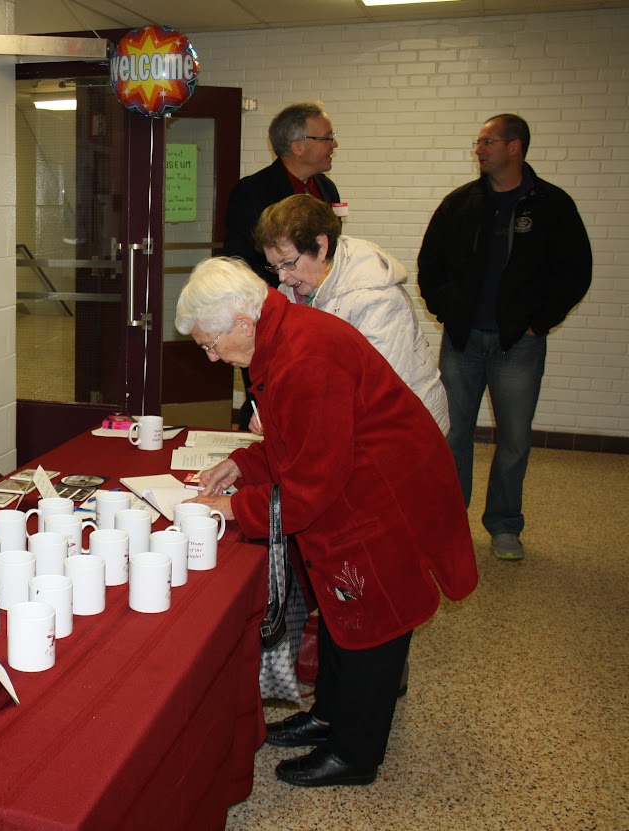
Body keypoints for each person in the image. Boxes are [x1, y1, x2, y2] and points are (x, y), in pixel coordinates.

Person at [176, 258, 476, 788]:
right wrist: (242, 465)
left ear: (242, 322)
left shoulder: (304, 355)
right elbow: (299, 439)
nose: (211, 355)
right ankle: (330, 715)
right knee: (343, 617)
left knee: (373, 620)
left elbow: (312, 484)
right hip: (360, 480)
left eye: (211, 343)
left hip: (385, 494)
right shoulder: (277, 337)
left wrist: (236, 509)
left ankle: (356, 754)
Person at [417, 114, 591, 561]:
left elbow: (576, 271)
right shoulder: (461, 204)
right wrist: (446, 310)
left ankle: (504, 525)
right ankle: (450, 523)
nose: (479, 149)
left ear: (515, 147)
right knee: (452, 434)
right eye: (478, 142)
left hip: (520, 344)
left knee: (514, 438)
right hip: (462, 342)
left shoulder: (551, 205)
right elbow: (429, 264)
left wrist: (539, 321)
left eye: (488, 141)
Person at [253, 193, 449, 433]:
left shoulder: (376, 297)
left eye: (288, 263)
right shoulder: (294, 287)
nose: (282, 277)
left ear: (322, 246)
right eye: (275, 266)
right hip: (350, 419)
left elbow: (379, 390)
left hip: (407, 427)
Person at [224, 102, 342, 428]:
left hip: (323, 315)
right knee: (267, 403)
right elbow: (239, 263)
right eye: (327, 137)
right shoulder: (253, 191)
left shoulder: (326, 189)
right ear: (298, 146)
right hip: (273, 317)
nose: (334, 144)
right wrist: (284, 293)